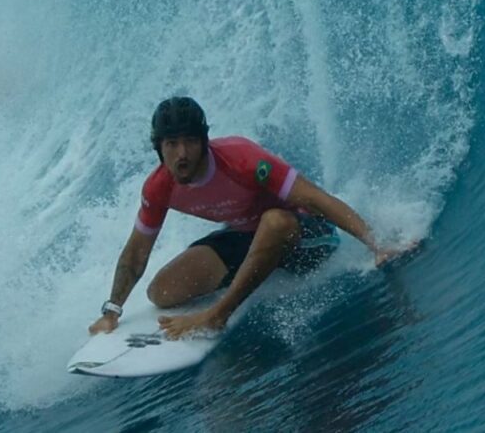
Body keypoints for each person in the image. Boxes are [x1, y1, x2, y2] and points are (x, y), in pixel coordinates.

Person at [88, 96, 411, 339]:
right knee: (162, 292)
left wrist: (376, 244)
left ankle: (218, 313)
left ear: (204, 141)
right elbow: (136, 252)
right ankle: (255, 271)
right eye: (172, 144)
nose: (182, 153)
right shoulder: (159, 187)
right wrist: (112, 311)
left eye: (190, 141)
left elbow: (316, 199)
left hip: (303, 235)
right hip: (245, 235)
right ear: (159, 147)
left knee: (274, 221)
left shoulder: (242, 160)